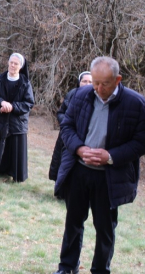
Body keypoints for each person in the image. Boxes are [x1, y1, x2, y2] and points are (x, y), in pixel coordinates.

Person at [52, 57, 145, 274]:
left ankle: (101, 270)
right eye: (95, 82)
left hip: (109, 177)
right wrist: (79, 149)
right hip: (79, 172)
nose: (98, 88)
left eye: (104, 84)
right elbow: (66, 126)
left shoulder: (136, 104)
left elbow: (140, 142)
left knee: (105, 229)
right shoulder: (81, 95)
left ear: (118, 79)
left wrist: (110, 156)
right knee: (73, 222)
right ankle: (67, 267)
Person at [0, 53, 34, 182]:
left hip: (17, 122)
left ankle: (16, 174)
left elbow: (28, 103)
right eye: (11, 62)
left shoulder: (25, 83)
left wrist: (12, 107)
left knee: (15, 147)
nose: (12, 65)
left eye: (16, 63)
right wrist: (1, 103)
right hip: (1, 119)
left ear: (21, 66)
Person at [48, 71, 92, 182]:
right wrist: (68, 123)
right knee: (61, 161)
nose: (87, 84)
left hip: (84, 139)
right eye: (84, 81)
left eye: (90, 82)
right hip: (66, 136)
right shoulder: (72, 94)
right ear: (79, 82)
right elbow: (61, 113)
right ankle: (59, 189)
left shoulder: (96, 98)